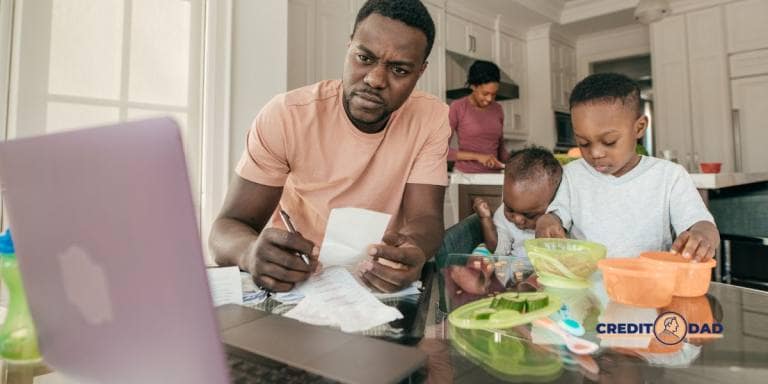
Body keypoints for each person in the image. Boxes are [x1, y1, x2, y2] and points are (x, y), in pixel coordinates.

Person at [209, 0, 450, 293]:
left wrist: (414, 249)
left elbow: (426, 218)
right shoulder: (287, 115)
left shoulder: (432, 118)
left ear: (420, 72)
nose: (375, 79)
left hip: (378, 282)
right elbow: (226, 228)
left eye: (399, 70)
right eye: (364, 57)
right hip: (295, 281)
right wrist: (249, 252)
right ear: (349, 46)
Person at [535, 73, 719, 261]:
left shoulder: (669, 176)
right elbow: (556, 217)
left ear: (639, 128)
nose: (596, 153)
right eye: (583, 143)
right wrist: (547, 221)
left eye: (609, 141)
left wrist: (702, 236)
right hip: (587, 286)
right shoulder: (572, 175)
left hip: (647, 284)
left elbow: (701, 223)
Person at [472, 147, 562, 258]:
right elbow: (498, 249)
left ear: (553, 200)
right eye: (509, 209)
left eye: (529, 215)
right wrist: (485, 218)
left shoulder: (560, 218)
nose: (517, 219)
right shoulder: (503, 215)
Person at [448, 60, 509, 173]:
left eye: (494, 94)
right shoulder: (458, 107)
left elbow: (501, 149)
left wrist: (515, 163)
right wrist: (478, 156)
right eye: (485, 94)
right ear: (473, 86)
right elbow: (442, 151)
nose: (490, 99)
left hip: (494, 176)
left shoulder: (498, 109)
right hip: (466, 176)